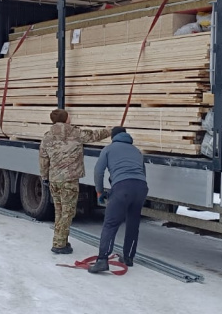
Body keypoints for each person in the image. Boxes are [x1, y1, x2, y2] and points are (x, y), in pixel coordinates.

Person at [39, 109, 112, 254]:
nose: (70, 117)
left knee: (59, 211)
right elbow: (94, 136)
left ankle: (60, 241)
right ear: (65, 118)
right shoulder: (75, 133)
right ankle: (59, 245)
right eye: (68, 115)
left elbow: (43, 159)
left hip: (54, 179)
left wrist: (45, 177)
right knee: (68, 212)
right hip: (69, 180)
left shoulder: (47, 137)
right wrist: (110, 130)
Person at [89, 126, 148, 273]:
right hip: (141, 187)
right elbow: (143, 172)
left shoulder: (108, 149)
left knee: (111, 223)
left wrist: (99, 191)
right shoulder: (137, 151)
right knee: (133, 223)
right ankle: (128, 257)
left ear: (113, 137)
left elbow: (98, 171)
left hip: (122, 187)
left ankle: (102, 259)